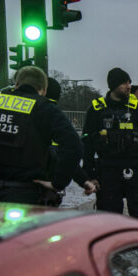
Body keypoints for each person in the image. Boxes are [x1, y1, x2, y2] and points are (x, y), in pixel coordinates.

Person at [0, 66, 82, 204]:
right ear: (44, 90)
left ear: (16, 84)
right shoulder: (45, 108)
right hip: (24, 193)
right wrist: (58, 183)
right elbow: (74, 146)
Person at [82, 67, 138, 225]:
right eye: (124, 83)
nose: (129, 86)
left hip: (136, 171)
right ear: (113, 85)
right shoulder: (96, 110)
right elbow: (87, 144)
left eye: (129, 82)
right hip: (108, 172)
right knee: (109, 223)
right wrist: (90, 174)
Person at [44, 77, 98, 205]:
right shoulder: (56, 118)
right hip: (46, 186)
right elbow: (69, 154)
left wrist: (83, 179)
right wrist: (83, 180)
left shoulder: (38, 115)